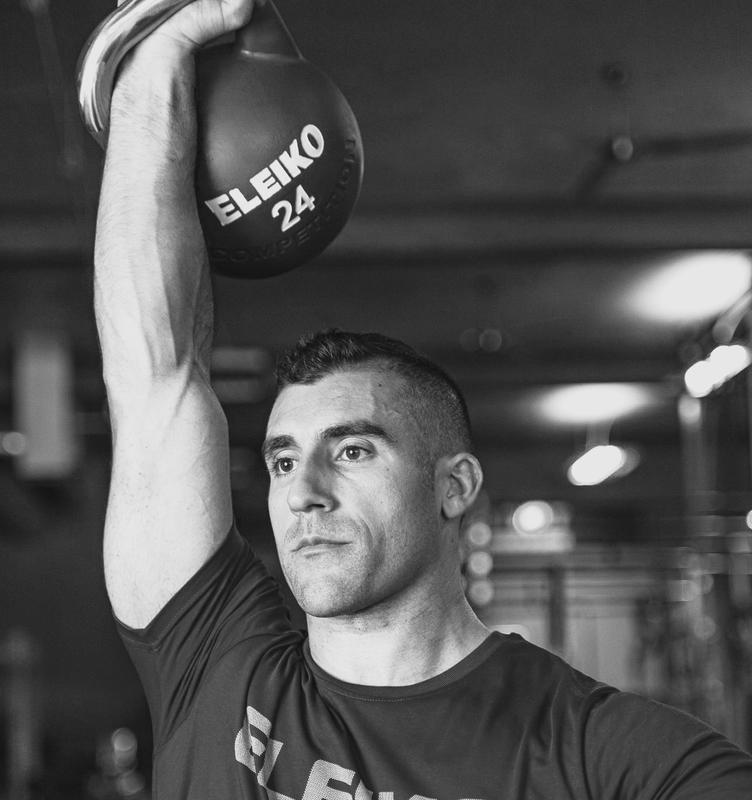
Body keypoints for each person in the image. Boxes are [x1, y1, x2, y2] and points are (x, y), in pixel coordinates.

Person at [94, 1, 752, 797]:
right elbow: (155, 376)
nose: (304, 493)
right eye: (282, 461)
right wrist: (156, 62)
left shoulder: (592, 751)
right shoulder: (214, 663)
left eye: (352, 450)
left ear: (455, 485)